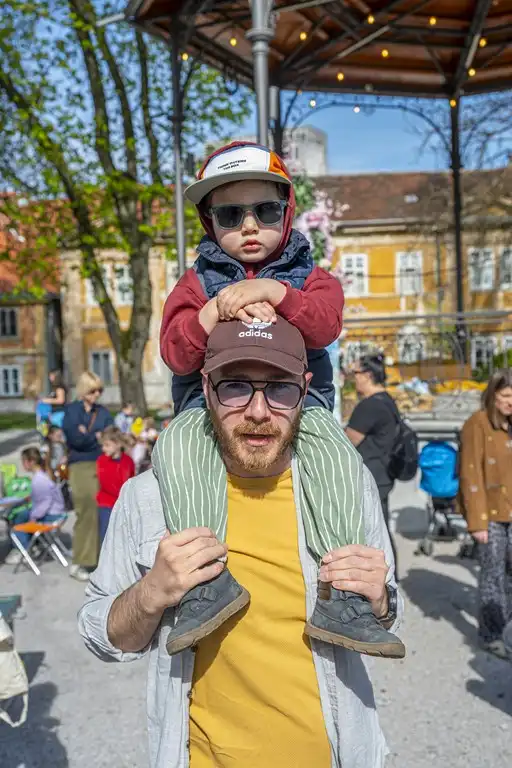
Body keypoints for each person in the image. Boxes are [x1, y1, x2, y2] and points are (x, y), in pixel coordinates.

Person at [78, 319, 403, 768]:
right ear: (207, 388)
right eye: (235, 386)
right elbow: (101, 633)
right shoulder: (149, 496)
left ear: (306, 390)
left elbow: (387, 618)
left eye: (280, 388)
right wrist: (151, 594)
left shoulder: (348, 486)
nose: (257, 410)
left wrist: (382, 600)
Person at [154, 142, 400, 658]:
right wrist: (211, 312)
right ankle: (204, 584)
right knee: (176, 446)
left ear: (286, 213)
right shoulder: (197, 282)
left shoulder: (309, 275)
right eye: (230, 213)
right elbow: (175, 353)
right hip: (211, 403)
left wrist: (276, 293)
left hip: (298, 401)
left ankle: (345, 592)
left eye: (264, 211)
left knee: (334, 452)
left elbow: (328, 322)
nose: (249, 225)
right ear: (208, 220)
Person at [459, 369, 512, 660]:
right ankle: (492, 634)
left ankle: (508, 629)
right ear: (492, 395)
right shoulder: (476, 424)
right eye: (505, 396)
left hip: (510, 510)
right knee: (493, 576)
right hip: (490, 514)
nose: (510, 402)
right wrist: (477, 522)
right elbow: (470, 475)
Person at [345, 353, 400, 567]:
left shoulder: (369, 406)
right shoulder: (387, 400)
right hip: (383, 473)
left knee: (376, 534)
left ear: (367, 375)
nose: (353, 378)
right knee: (382, 531)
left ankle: (386, 582)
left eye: (355, 373)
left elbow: (348, 442)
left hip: (371, 478)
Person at [63, 372, 113, 582]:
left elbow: (110, 435)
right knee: (86, 511)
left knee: (105, 511)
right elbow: (75, 440)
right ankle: (81, 560)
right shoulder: (72, 411)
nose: (97, 394)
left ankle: (100, 559)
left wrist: (88, 435)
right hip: (81, 465)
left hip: (103, 463)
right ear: (83, 390)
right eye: (93, 390)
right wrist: (96, 437)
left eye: (99, 390)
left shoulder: (102, 412)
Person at [5, 447, 66, 565]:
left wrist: (33, 516)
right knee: (23, 514)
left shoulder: (38, 480)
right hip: (55, 513)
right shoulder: (43, 476)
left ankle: (23, 549)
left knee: (19, 519)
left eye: (24, 461)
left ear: (31, 461)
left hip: (51, 516)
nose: (22, 464)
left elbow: (44, 503)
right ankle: (32, 545)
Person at [96, 426, 135, 545]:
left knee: (123, 539)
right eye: (103, 445)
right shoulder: (102, 461)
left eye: (107, 445)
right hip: (107, 505)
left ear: (117, 444)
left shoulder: (128, 461)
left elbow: (131, 481)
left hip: (124, 505)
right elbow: (106, 484)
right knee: (106, 538)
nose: (103, 448)